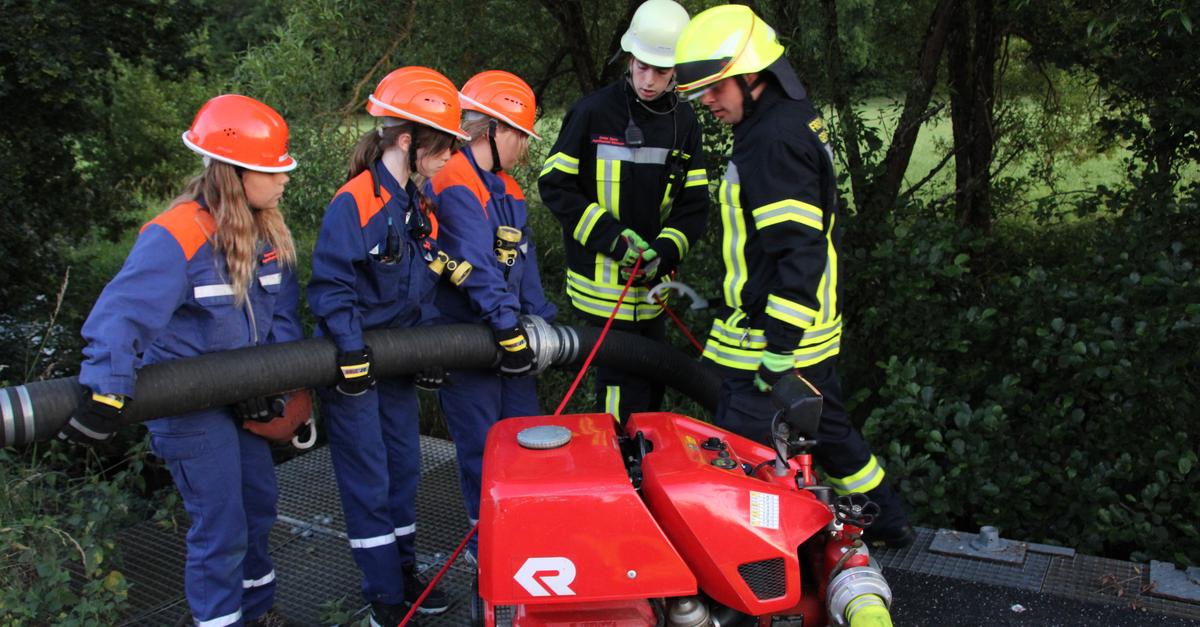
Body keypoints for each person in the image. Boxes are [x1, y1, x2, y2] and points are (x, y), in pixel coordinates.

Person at [673, 5, 915, 549]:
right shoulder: (787, 119)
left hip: (775, 340)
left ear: (752, 76)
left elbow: (799, 253)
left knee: (740, 460)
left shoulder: (772, 140)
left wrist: (778, 349)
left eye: (715, 87)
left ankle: (758, 563)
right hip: (811, 330)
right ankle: (884, 519)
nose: (707, 100)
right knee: (830, 430)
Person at [58, 94, 303, 626]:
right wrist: (106, 388)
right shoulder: (178, 234)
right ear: (235, 173)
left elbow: (282, 317)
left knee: (258, 508)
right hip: (189, 405)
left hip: (245, 398)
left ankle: (258, 612)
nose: (284, 178)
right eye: (272, 169)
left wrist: (277, 382)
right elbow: (122, 313)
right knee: (221, 526)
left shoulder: (268, 234)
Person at [307, 66, 467, 623]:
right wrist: (351, 350)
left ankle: (403, 571)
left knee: (404, 469)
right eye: (443, 145)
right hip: (354, 367)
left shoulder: (415, 206)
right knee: (369, 478)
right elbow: (331, 286)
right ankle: (384, 596)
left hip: (395, 363)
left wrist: (427, 351)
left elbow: (421, 287)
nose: (450, 156)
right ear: (407, 142)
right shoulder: (356, 203)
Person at [538, 0, 709, 422]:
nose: (648, 81)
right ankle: (615, 460)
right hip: (601, 295)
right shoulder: (593, 112)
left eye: (661, 71)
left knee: (651, 393)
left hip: (652, 296)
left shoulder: (684, 123)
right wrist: (613, 239)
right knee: (617, 398)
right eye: (642, 67)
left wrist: (664, 252)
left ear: (677, 71)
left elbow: (693, 206)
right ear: (629, 57)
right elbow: (555, 184)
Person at [426, 70, 556, 558]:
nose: (523, 145)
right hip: (467, 339)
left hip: (508, 339)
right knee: (482, 452)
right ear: (493, 130)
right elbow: (476, 267)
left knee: (528, 441)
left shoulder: (509, 189)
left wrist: (541, 322)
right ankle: (490, 552)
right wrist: (508, 328)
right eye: (519, 134)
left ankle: (529, 539)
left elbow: (524, 262)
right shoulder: (452, 181)